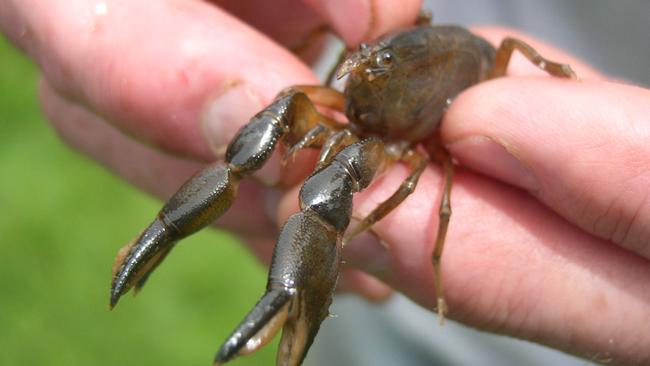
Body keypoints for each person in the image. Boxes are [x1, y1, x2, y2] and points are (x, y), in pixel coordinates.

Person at [1, 0, 648, 365]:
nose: (355, 70)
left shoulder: (411, 135)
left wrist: (368, 222)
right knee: (283, 123)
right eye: (357, 62)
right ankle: (200, 251)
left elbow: (430, 195)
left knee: (357, 202)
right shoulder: (362, 80)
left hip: (496, 103)